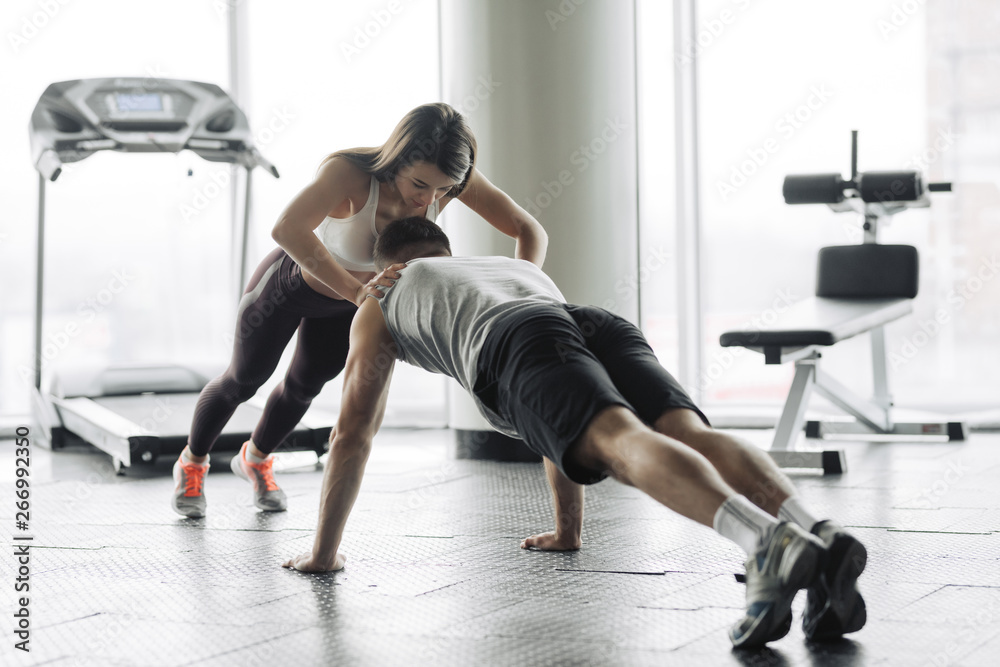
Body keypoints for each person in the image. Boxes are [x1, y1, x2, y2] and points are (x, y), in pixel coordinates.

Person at [281, 217, 868, 649]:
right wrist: (568, 530)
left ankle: (766, 542)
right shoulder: (507, 267)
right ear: (444, 248)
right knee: (688, 432)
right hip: (591, 319)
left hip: (514, 337)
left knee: (616, 442)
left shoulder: (385, 293)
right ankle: (814, 529)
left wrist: (323, 554)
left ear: (387, 262)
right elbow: (555, 419)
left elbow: (352, 433)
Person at [171, 103, 548, 519]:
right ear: (398, 156)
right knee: (243, 380)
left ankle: (256, 460)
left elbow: (528, 229)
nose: (430, 199)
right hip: (288, 288)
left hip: (347, 305)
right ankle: (192, 462)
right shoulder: (348, 172)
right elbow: (287, 228)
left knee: (304, 386)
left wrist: (520, 289)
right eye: (420, 184)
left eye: (444, 190)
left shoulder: (451, 181)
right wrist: (355, 292)